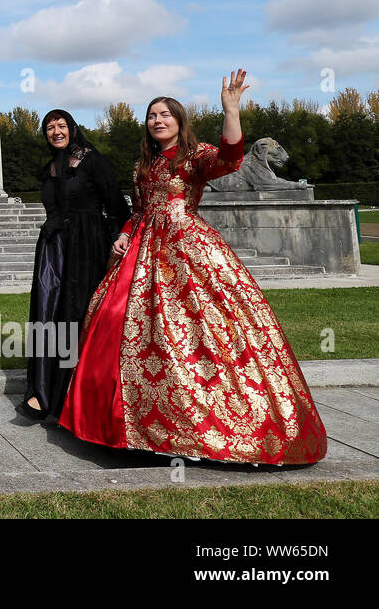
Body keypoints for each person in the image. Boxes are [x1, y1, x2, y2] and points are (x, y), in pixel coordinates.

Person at [59, 71, 327, 464]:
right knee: (116, 321)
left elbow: (231, 159)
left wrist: (230, 110)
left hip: (188, 250)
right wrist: (125, 232)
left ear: (179, 121)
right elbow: (140, 209)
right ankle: (125, 426)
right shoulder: (142, 166)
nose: (158, 120)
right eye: (152, 115)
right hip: (143, 251)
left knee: (201, 332)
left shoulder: (195, 156)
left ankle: (201, 430)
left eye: (166, 114)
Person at [19, 109, 129, 421]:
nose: (55, 131)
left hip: (87, 248)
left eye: (61, 125)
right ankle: (42, 393)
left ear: (72, 128)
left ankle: (73, 398)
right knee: (48, 315)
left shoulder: (93, 161)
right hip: (53, 250)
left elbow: (117, 207)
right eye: (49, 127)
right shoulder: (50, 168)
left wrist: (116, 242)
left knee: (76, 314)